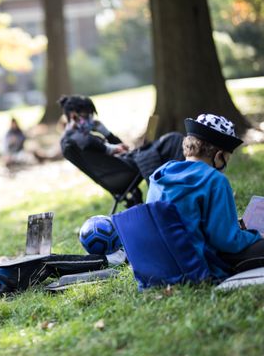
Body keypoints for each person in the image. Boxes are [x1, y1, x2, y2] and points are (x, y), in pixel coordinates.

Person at [146, 113, 264, 278]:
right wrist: (255, 235)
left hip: (161, 264)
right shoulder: (215, 180)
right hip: (198, 263)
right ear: (218, 156)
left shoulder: (162, 172)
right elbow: (227, 241)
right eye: (226, 159)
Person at [59, 95, 184, 180]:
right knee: (173, 140)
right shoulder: (74, 138)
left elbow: (122, 147)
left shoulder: (80, 136)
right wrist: (109, 148)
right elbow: (89, 142)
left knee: (170, 140)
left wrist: (106, 134)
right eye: (86, 115)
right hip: (124, 169)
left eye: (91, 115)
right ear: (74, 116)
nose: (90, 120)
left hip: (125, 164)